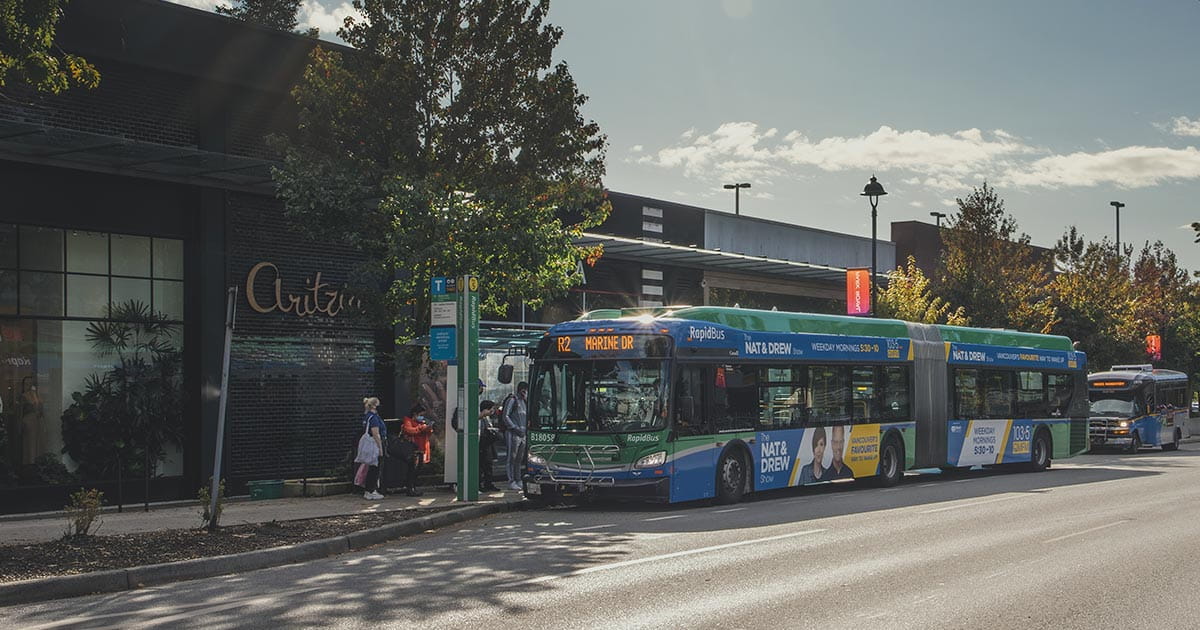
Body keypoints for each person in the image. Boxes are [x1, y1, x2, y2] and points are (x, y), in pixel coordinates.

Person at [500, 381, 529, 491]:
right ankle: (511, 480)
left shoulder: (524, 402)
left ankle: (518, 479)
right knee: (511, 457)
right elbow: (505, 416)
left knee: (519, 458)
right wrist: (514, 427)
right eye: (524, 390)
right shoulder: (513, 400)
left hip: (523, 434)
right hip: (513, 433)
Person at [401, 403, 433, 496]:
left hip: (422, 447)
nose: (422, 417)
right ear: (415, 414)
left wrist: (428, 428)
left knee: (418, 469)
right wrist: (421, 428)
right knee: (412, 469)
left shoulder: (423, 421)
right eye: (420, 415)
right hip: (413, 448)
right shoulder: (408, 420)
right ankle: (410, 488)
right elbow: (409, 430)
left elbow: (429, 432)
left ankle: (413, 487)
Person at [361, 397, 386, 500]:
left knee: (371, 467)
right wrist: (380, 448)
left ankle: (368, 490)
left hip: (370, 444)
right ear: (375, 406)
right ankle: (371, 490)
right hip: (375, 444)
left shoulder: (367, 416)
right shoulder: (374, 418)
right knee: (375, 468)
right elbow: (376, 434)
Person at [479, 400, 500, 491]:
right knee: (482, 465)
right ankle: (481, 484)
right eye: (491, 409)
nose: (492, 411)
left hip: (488, 444)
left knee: (488, 465)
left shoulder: (487, 418)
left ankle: (488, 483)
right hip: (482, 444)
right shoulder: (481, 418)